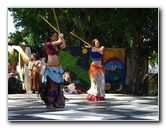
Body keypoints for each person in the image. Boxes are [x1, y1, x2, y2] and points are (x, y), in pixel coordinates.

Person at [39, 30, 66, 109]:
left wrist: (62, 38)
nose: (55, 37)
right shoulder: (48, 44)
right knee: (52, 86)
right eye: (54, 36)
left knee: (58, 86)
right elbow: (58, 42)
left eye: (56, 36)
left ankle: (56, 102)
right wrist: (60, 38)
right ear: (50, 37)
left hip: (57, 68)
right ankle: (49, 102)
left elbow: (63, 46)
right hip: (51, 69)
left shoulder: (57, 45)